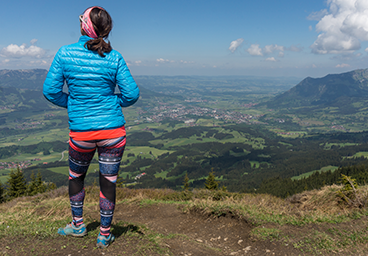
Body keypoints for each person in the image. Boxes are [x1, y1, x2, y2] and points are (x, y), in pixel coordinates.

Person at [43, 6, 139, 248]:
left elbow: (50, 91)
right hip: (113, 133)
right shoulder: (114, 56)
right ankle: (104, 234)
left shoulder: (64, 54)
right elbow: (132, 94)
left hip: (81, 133)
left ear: (84, 25)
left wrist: (74, 104)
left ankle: (78, 226)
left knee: (76, 178)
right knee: (109, 181)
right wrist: (113, 102)